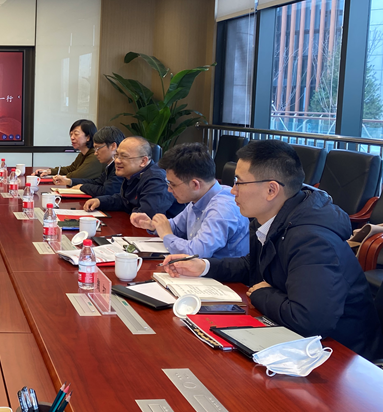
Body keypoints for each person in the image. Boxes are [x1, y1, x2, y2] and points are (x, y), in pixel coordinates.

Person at [162, 139, 382, 361]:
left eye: (239, 182)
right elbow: (252, 264)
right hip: (296, 339)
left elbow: (309, 321)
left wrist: (260, 293)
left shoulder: (312, 239)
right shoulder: (271, 218)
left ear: (271, 190)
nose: (233, 191)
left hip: (342, 356)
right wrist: (204, 266)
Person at [130, 143, 249, 258]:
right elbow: (177, 227)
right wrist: (153, 225)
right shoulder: (199, 197)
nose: (169, 190)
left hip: (218, 271)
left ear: (195, 184)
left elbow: (196, 253)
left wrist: (166, 235)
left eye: (173, 185)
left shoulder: (222, 208)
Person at [83, 136, 182, 218]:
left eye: (124, 156)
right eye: (116, 155)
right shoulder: (133, 174)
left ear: (143, 161)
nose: (117, 161)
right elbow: (125, 200)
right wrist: (100, 201)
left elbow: (147, 216)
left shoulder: (157, 179)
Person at [52, 126, 124, 197]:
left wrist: (83, 187)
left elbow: (107, 191)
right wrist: (69, 181)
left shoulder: (120, 167)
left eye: (98, 148)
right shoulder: (110, 165)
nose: (95, 153)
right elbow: (96, 182)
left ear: (113, 146)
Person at [32, 119, 103, 180]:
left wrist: (58, 177)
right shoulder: (82, 154)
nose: (72, 138)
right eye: (71, 134)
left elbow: (78, 175)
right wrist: (49, 171)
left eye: (76, 134)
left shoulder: (96, 155)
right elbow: (70, 169)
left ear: (88, 137)